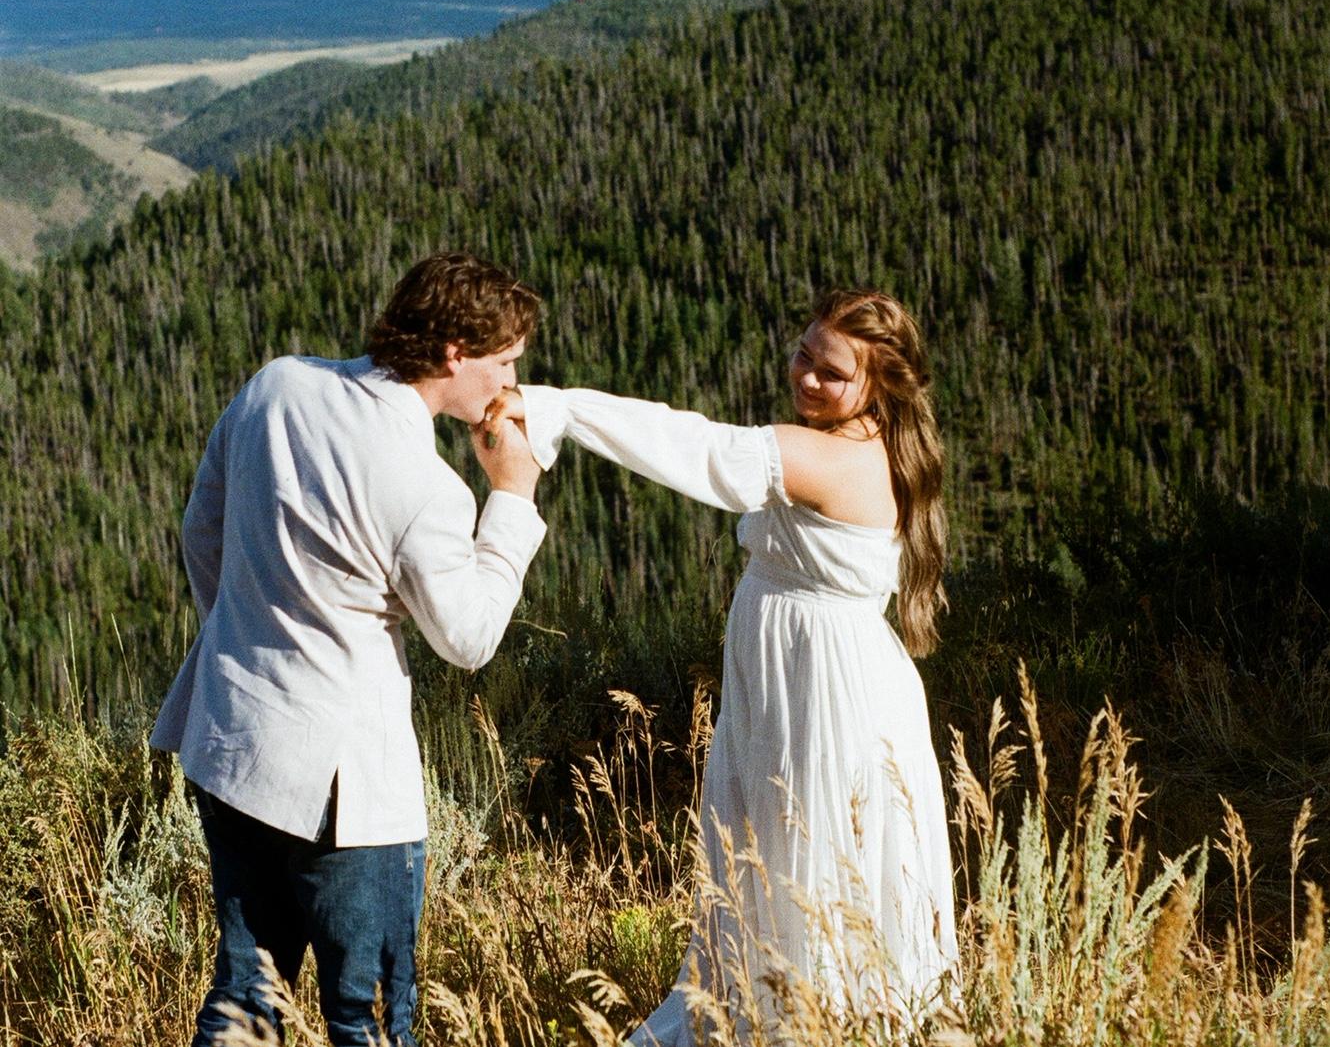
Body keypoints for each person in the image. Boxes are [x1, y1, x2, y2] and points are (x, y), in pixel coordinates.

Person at [486, 288, 957, 1042]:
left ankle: (795, 1023)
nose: (807, 376)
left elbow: (699, 449)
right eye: (804, 354)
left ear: (879, 387)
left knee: (799, 863)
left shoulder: (827, 456)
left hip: (823, 696)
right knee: (798, 866)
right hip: (819, 682)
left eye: (832, 372)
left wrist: (561, 409)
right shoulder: (870, 442)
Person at [150, 251, 547, 1047]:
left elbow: (201, 528)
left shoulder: (277, 386)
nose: (512, 384)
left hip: (232, 741)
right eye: (504, 362)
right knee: (365, 1020)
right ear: (453, 354)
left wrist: (244, 629)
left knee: (244, 998)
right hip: (347, 790)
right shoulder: (427, 487)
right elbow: (468, 638)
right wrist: (512, 496)